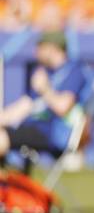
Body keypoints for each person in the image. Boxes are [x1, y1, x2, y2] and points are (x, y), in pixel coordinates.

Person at [0, 31, 86, 162]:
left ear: (53, 48)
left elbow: (62, 107)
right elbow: (21, 108)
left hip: (53, 132)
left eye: (40, 47)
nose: (36, 52)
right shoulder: (46, 73)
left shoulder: (74, 72)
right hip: (32, 127)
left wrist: (45, 90)